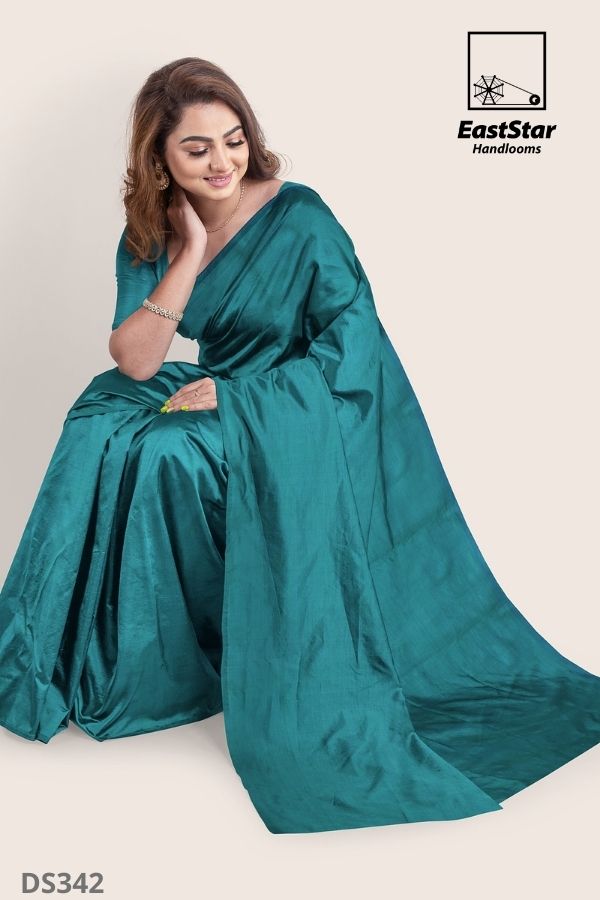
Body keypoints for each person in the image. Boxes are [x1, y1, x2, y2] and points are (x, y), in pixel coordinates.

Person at [0, 57, 598, 836]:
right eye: (197, 149)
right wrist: (188, 253)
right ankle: (87, 651)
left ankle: (180, 666)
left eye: (233, 139)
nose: (223, 163)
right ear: (160, 159)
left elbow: (355, 345)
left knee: (167, 450)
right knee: (100, 418)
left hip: (304, 407)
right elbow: (137, 360)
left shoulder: (300, 216)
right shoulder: (151, 233)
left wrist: (243, 397)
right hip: (219, 387)